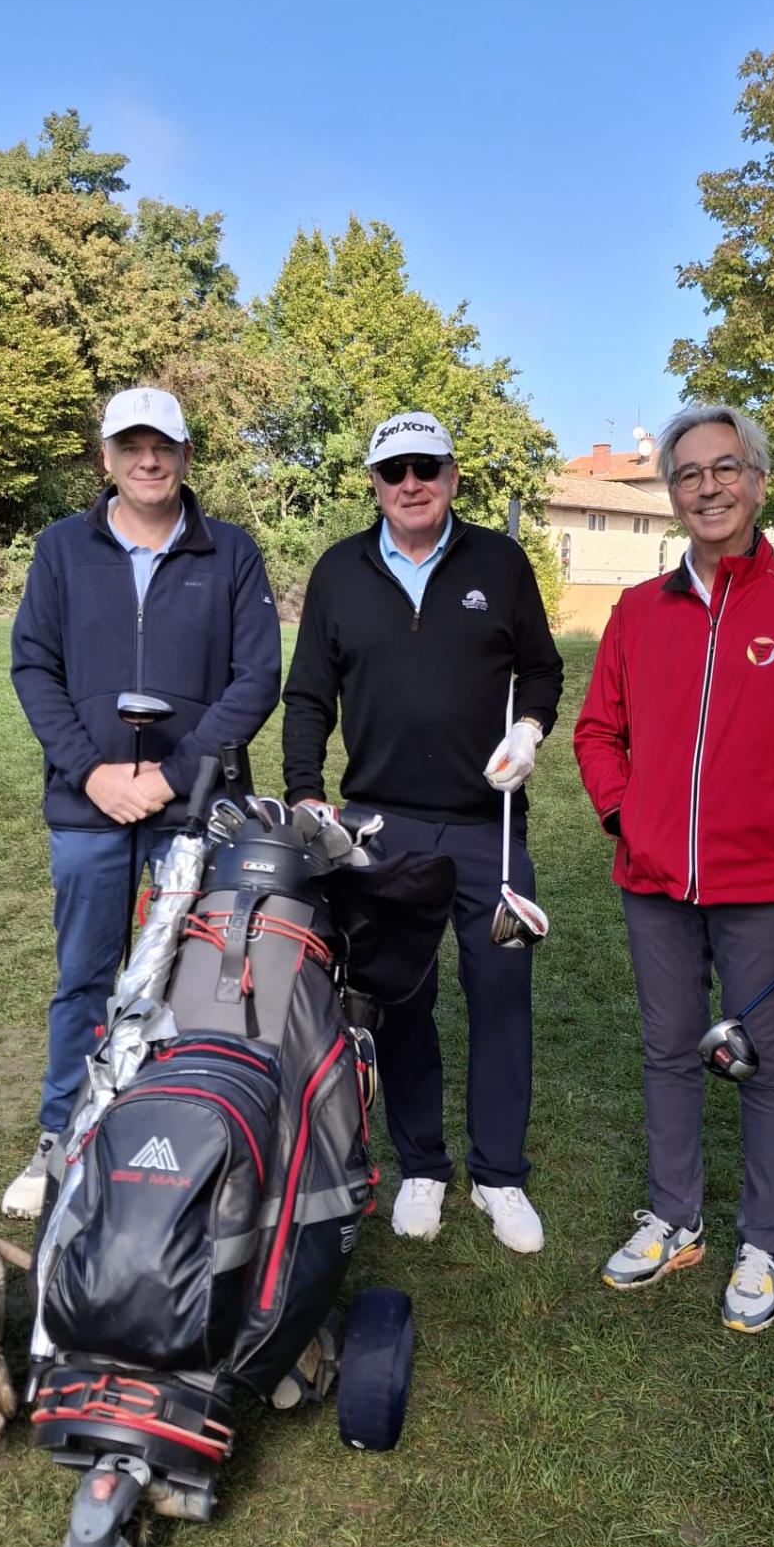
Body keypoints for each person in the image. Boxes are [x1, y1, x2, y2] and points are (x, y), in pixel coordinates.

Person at [573, 405, 774, 1331]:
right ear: (671, 494)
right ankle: (674, 1217)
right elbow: (596, 732)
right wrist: (630, 816)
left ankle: (762, 1241)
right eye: (688, 474)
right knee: (668, 1051)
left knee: (764, 1066)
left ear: (757, 481)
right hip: (655, 887)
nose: (707, 487)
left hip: (768, 892)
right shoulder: (635, 612)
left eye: (725, 469)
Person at [282, 411, 563, 1254]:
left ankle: (500, 1175)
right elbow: (307, 696)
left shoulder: (500, 562)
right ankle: (424, 1168)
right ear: (373, 482)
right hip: (380, 823)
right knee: (401, 997)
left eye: (427, 468)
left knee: (502, 996)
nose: (412, 484)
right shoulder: (340, 571)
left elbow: (542, 667)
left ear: (451, 476)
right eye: (395, 470)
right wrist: (305, 789)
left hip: (491, 824)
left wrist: (531, 730)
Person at [4, 385, 282, 1217]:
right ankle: (63, 1135)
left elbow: (255, 678)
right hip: (88, 806)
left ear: (187, 456)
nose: (148, 460)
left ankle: (179, 1131)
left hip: (194, 806)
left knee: (196, 982)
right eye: (131, 446)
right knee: (85, 978)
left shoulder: (230, 553)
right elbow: (34, 671)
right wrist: (93, 772)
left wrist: (169, 775)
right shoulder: (61, 550)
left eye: (163, 446)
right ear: (107, 459)